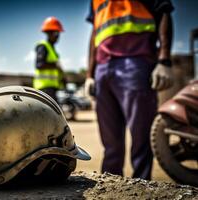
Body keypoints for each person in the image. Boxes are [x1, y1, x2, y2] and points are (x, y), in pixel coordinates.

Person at [85, 0, 174, 180]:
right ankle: (110, 187)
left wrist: (164, 60)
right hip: (103, 67)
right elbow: (95, 32)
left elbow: (164, 11)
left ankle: (140, 188)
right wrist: (89, 74)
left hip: (135, 61)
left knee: (141, 137)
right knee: (111, 144)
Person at [33, 16, 65, 102]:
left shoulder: (53, 50)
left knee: (55, 113)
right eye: (56, 34)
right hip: (44, 88)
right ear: (49, 33)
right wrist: (55, 65)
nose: (58, 37)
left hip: (52, 87)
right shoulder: (43, 46)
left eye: (58, 34)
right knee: (52, 114)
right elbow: (39, 65)